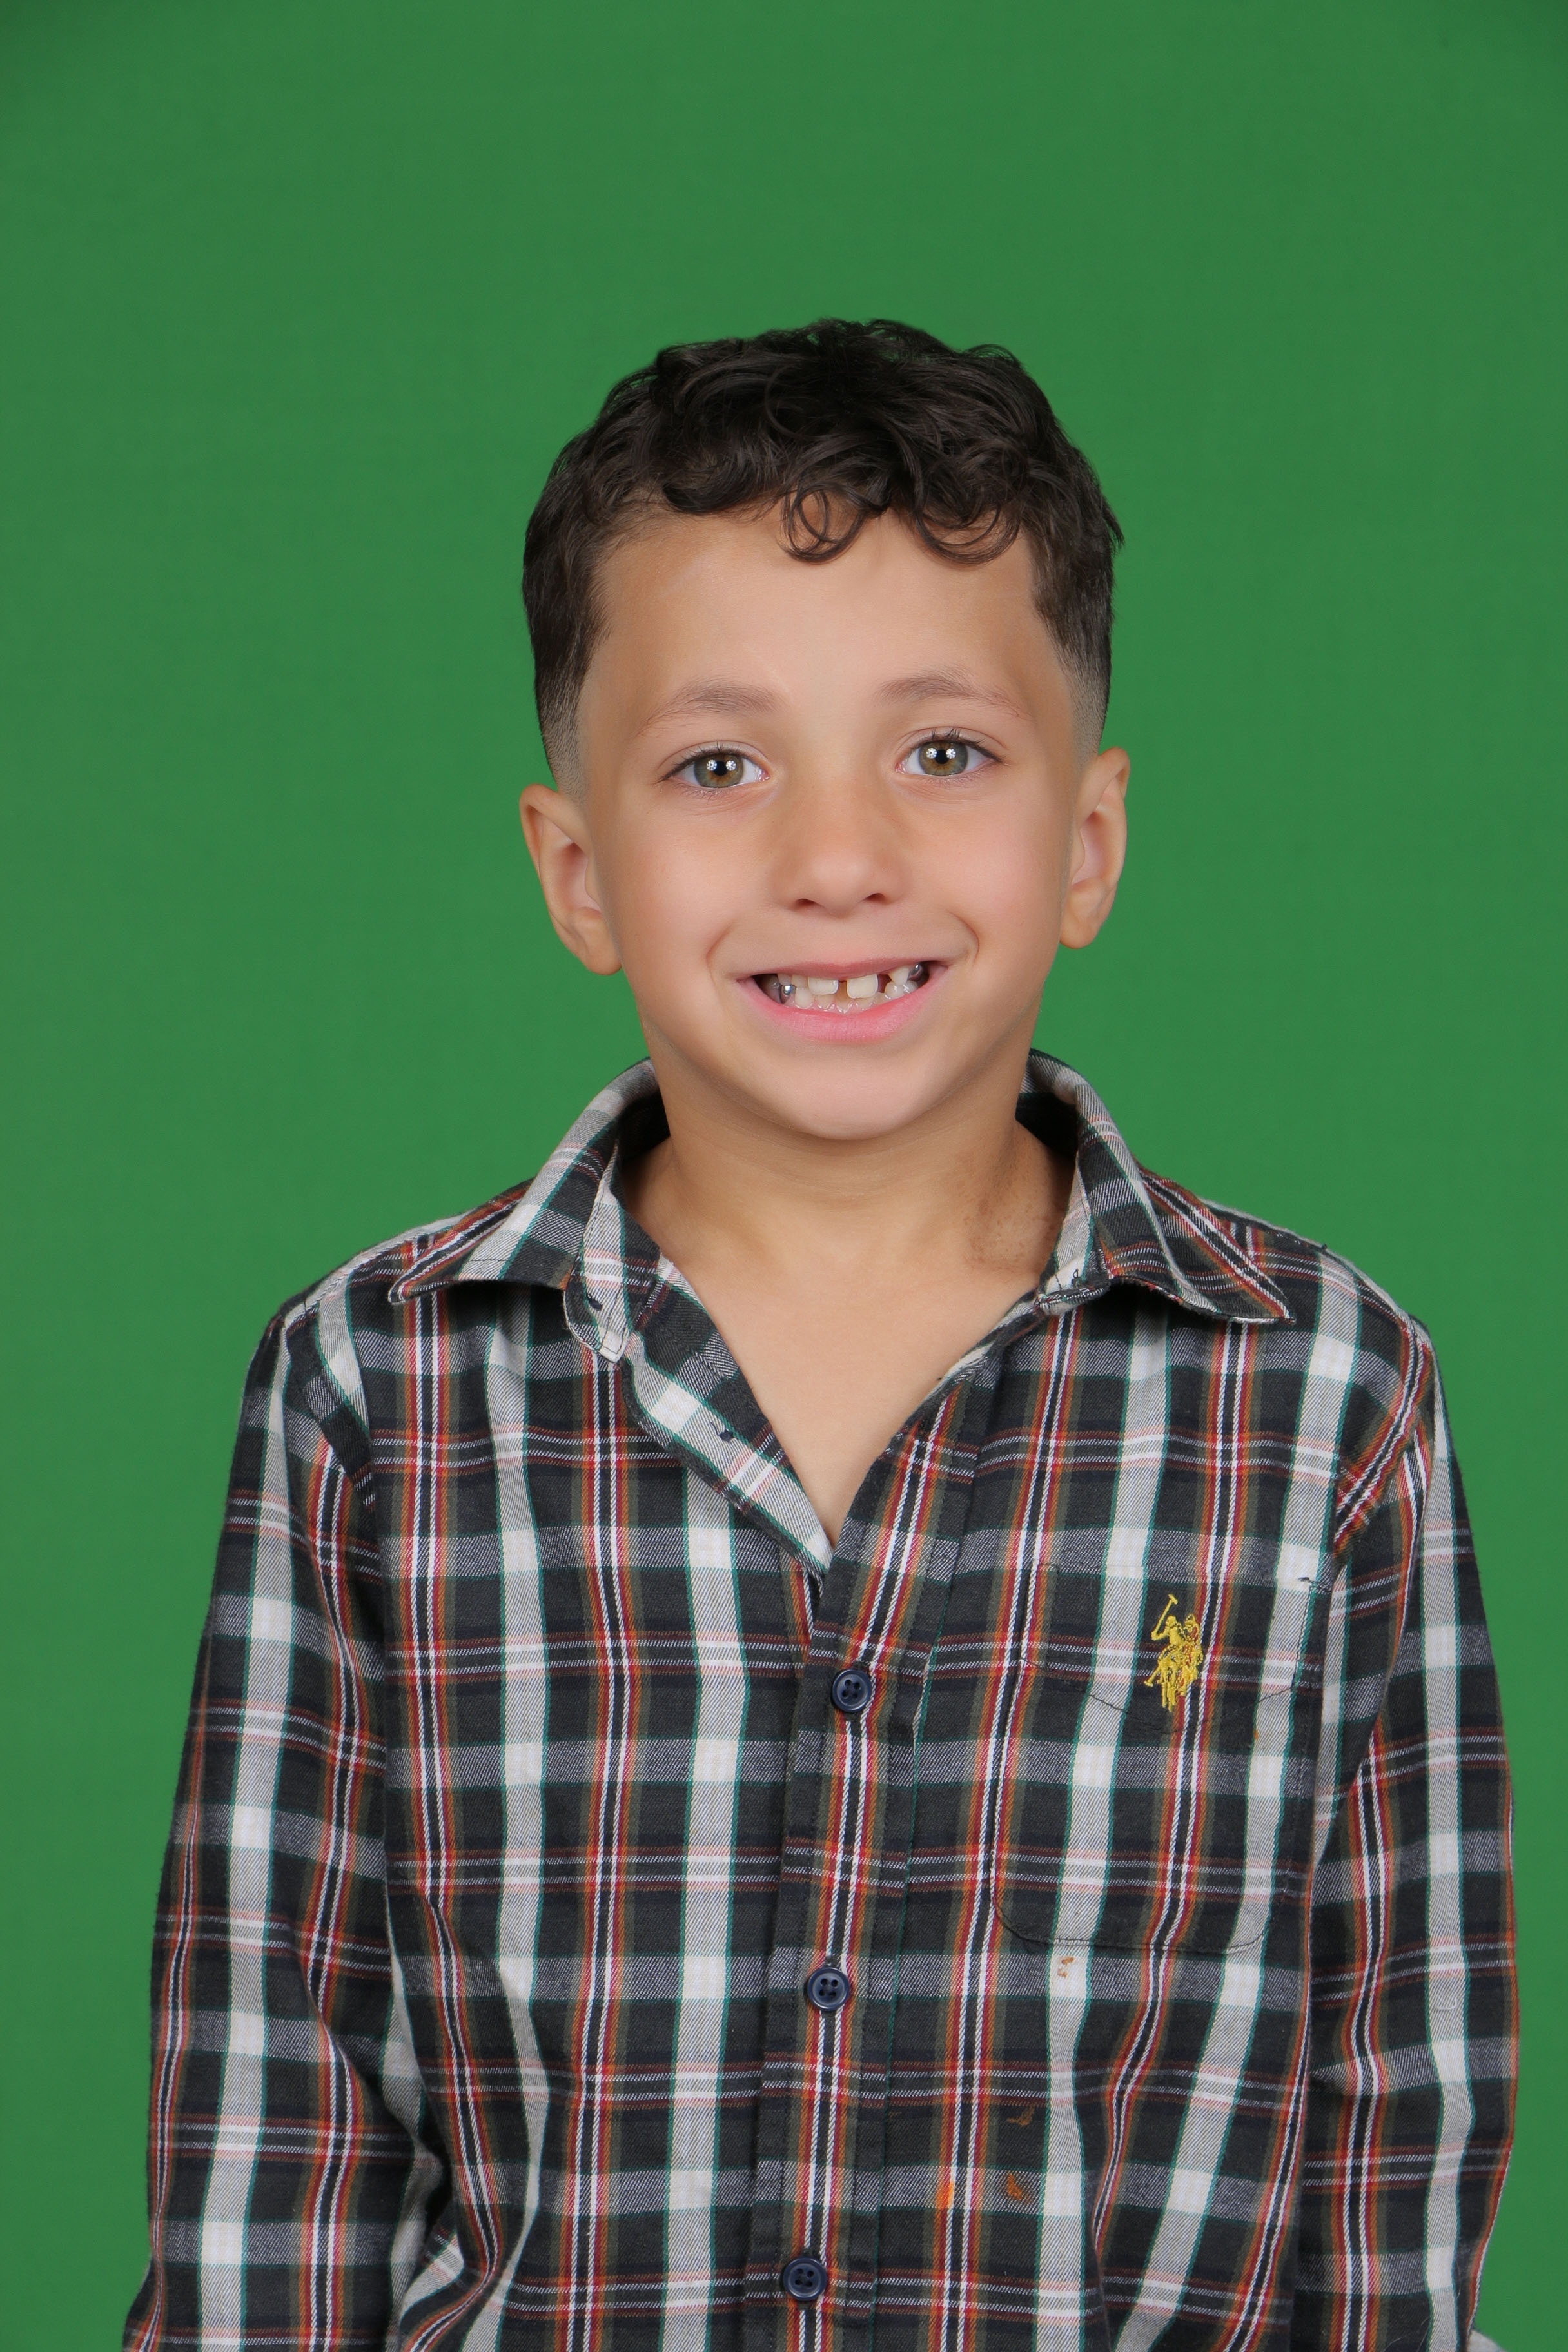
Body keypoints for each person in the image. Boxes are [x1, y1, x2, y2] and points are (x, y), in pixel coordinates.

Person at [124, 320, 1515, 2351]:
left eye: (943, 753)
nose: (838, 858)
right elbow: (275, 2140)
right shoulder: (378, 1391)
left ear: (1090, 841)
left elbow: (1397, 2135)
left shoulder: (1323, 1400)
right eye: (720, 765)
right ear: (578, 871)